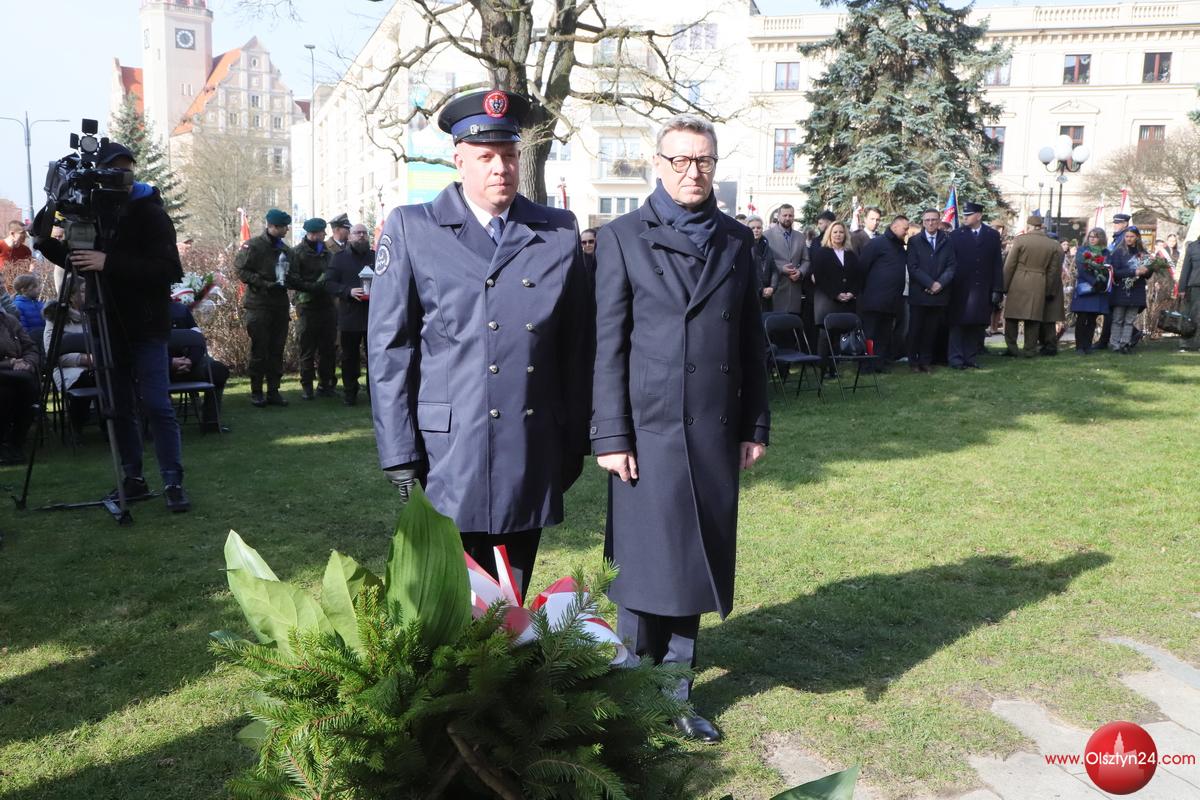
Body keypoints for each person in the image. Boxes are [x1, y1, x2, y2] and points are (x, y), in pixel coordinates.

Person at [369, 89, 592, 597]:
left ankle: (510, 647)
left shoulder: (556, 231)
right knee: (454, 599)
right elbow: (391, 349)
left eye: (509, 155)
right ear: (459, 160)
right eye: (486, 157)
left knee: (512, 593)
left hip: (529, 440)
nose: (501, 169)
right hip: (450, 448)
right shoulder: (414, 228)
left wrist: (575, 438)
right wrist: (399, 451)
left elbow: (577, 346)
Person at [592, 114, 769, 744]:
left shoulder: (736, 240)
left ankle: (676, 694)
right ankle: (630, 689)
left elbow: (750, 340)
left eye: (704, 161)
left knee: (696, 559)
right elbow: (608, 344)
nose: (693, 172)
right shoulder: (621, 237)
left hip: (713, 429)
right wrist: (611, 435)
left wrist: (754, 423)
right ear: (658, 164)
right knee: (645, 563)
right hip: (648, 430)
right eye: (680, 161)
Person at [33, 141, 189, 511]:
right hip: (105, 323)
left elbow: (169, 269)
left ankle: (173, 482)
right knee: (117, 406)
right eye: (113, 168)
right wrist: (53, 203)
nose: (120, 175)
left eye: (126, 168)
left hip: (146, 325)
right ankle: (132, 479)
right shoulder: (94, 210)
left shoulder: (150, 212)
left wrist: (109, 261)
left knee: (156, 405)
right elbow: (75, 257)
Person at [236, 209, 293, 407]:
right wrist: (264, 283)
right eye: (284, 227)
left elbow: (291, 273)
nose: (287, 230)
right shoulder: (253, 246)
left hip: (279, 305)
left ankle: (273, 391)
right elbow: (241, 270)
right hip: (258, 305)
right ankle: (257, 391)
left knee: (276, 350)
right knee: (260, 350)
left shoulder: (285, 250)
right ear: (272, 226)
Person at [947, 202, 1004, 369]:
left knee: (976, 324)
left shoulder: (992, 235)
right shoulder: (956, 235)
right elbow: (950, 262)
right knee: (957, 324)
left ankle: (971, 357)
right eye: (964, 215)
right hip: (960, 288)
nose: (965, 218)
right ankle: (956, 358)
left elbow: (997, 264)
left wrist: (997, 288)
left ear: (978, 216)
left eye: (968, 215)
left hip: (982, 288)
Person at [289, 218, 338, 400]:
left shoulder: (327, 252)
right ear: (313, 233)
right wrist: (313, 287)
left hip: (327, 305)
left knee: (328, 349)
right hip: (307, 306)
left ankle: (326, 385)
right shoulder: (297, 253)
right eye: (322, 232)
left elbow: (333, 272)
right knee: (307, 349)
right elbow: (293, 279)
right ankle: (307, 387)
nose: (325, 234)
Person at [325, 222, 373, 405]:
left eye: (364, 233)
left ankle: (374, 393)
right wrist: (347, 291)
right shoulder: (339, 259)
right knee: (349, 358)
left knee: (375, 358)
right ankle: (350, 393)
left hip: (373, 316)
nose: (361, 236)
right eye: (357, 233)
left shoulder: (376, 257)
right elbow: (329, 283)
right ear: (350, 236)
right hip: (349, 316)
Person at [43, 277, 95, 443]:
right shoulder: (56, 319)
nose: (86, 294)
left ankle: (110, 425)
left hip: (97, 364)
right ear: (71, 296)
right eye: (82, 291)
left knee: (110, 376)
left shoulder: (93, 315)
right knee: (86, 379)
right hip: (66, 367)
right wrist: (82, 359)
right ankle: (76, 426)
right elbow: (52, 353)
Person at [169, 294, 230, 433]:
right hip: (159, 367)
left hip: (189, 364)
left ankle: (211, 422)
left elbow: (198, 340)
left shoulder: (181, 310)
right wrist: (169, 362)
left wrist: (190, 360)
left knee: (217, 371)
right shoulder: (143, 313)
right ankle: (158, 427)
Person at [1001, 215, 1060, 358]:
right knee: (1033, 318)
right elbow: (1053, 271)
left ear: (1029, 226)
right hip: (1039, 282)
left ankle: (1012, 348)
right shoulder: (1052, 244)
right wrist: (1049, 289)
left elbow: (1010, 265)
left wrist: (1004, 286)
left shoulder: (1020, 240)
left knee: (1012, 317)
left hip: (1018, 280)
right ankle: (1030, 349)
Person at [906, 208, 956, 372]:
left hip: (939, 294)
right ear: (923, 222)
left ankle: (926, 361)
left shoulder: (947, 241)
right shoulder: (914, 241)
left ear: (939, 221)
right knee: (915, 329)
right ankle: (913, 362)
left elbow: (951, 266)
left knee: (931, 331)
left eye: (934, 219)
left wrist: (939, 284)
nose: (930, 223)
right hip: (919, 293)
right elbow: (913, 267)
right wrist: (929, 284)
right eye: (927, 220)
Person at [810, 220, 863, 372]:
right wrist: (835, 294)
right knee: (825, 335)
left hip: (846, 300)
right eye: (835, 232)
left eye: (841, 232)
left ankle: (834, 368)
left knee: (838, 334)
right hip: (827, 300)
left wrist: (852, 293)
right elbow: (819, 277)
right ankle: (823, 368)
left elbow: (858, 277)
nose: (838, 235)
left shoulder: (850, 254)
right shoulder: (822, 253)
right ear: (829, 234)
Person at [857, 214, 908, 369]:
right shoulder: (877, 243)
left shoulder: (899, 247)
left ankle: (879, 362)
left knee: (884, 334)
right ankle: (867, 363)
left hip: (891, 302)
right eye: (905, 229)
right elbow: (862, 267)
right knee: (870, 334)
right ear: (895, 227)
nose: (906, 232)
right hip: (873, 300)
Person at [0, 307, 40, 464]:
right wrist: (9, 363)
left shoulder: (10, 320)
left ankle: (15, 442)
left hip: (18, 375)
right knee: (7, 393)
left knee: (26, 388)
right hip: (7, 373)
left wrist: (28, 363)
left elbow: (30, 347)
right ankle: (8, 444)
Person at [1106, 226, 1150, 353]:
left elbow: (1148, 274)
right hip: (1121, 290)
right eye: (1127, 236)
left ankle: (1125, 344)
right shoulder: (1118, 252)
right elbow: (1115, 272)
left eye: (1132, 236)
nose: (1129, 239)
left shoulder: (1143, 253)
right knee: (1118, 319)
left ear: (1137, 237)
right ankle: (1115, 344)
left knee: (1130, 320)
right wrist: (1133, 271)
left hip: (1137, 289)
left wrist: (1147, 270)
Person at [763, 203, 809, 317]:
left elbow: (806, 260)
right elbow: (763, 262)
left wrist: (800, 272)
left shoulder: (800, 237)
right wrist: (780, 268)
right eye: (785, 215)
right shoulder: (767, 236)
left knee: (792, 325)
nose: (788, 218)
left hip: (794, 291)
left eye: (790, 215)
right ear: (778, 216)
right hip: (775, 290)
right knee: (775, 324)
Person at [1070, 228, 1109, 355]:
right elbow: (1082, 270)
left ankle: (1088, 345)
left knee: (1092, 318)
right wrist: (1094, 281)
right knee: (1082, 317)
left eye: (1095, 237)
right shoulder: (1082, 250)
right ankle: (1079, 346)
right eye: (1090, 236)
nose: (1092, 239)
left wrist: (1102, 281)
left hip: (1098, 289)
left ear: (1101, 238)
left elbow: (1108, 268)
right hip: (1085, 287)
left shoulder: (1105, 252)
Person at [1097, 212, 1131, 350]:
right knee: (1112, 312)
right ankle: (1106, 340)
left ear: (1125, 224)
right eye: (1115, 223)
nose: (1115, 225)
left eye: (1118, 223)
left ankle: (1105, 340)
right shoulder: (1118, 238)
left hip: (1119, 279)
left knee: (1113, 312)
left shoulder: (1124, 238)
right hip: (1113, 278)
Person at [746, 215, 776, 312]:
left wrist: (772, 287)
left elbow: (774, 269)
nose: (756, 230)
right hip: (751, 296)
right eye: (752, 228)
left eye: (759, 228)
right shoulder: (744, 248)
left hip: (767, 297)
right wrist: (761, 289)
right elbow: (746, 273)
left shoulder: (768, 247)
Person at [12, 274, 45, 355]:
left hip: (44, 339)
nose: (39, 288)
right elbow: (22, 327)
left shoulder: (39, 303)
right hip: (32, 342)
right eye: (35, 287)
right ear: (24, 290)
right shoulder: (18, 305)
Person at [1178, 235, 1200, 351]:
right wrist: (1182, 288)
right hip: (1194, 287)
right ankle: (1185, 344)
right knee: (1190, 316)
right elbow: (1186, 269)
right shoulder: (1192, 247)